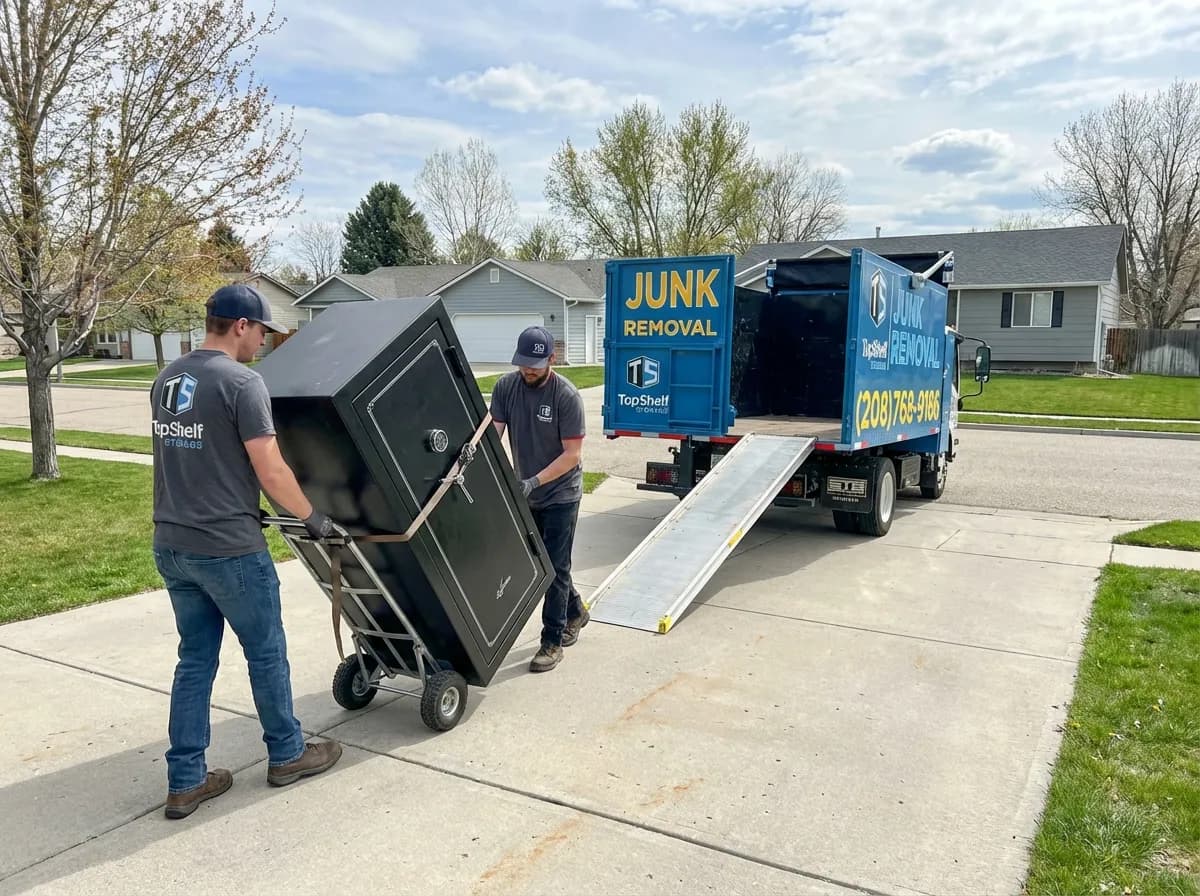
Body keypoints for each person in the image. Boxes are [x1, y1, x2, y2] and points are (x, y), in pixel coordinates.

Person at [150, 283, 343, 820]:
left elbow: (197, 456)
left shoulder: (168, 378)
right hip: (229, 548)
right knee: (265, 651)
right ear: (240, 325)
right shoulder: (241, 382)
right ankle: (288, 753)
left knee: (194, 661)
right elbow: (270, 468)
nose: (263, 341)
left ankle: (185, 780)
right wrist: (313, 517)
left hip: (172, 543)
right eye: (261, 331)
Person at [490, 325, 588, 673]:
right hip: (526, 492)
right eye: (523, 363)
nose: (528, 370)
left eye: (535, 363)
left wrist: (533, 481)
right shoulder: (506, 387)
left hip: (561, 493)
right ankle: (575, 610)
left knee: (555, 568)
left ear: (552, 358)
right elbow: (493, 433)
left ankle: (551, 641)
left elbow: (572, 454)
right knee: (540, 563)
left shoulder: (566, 396)